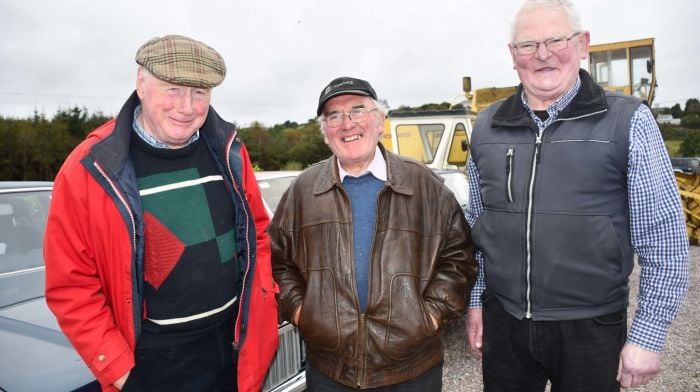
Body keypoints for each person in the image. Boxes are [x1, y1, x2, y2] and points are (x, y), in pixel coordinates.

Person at [465, 1, 690, 390]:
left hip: (592, 328)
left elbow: (664, 238)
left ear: (583, 44)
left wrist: (647, 336)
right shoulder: (486, 126)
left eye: (556, 39)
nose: (543, 54)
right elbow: (478, 225)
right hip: (504, 322)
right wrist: (477, 299)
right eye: (528, 45)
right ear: (512, 56)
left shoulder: (628, 121)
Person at [44, 34, 279, 392]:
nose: (186, 107)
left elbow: (258, 235)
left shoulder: (230, 151)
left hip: (232, 350)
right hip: (152, 366)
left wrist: (261, 310)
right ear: (141, 83)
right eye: (172, 89)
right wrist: (123, 373)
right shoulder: (90, 168)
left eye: (199, 92)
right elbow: (71, 286)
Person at [268, 76, 478, 391]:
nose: (347, 124)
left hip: (412, 371)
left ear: (379, 121)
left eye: (357, 111)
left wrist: (430, 315)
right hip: (330, 372)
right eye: (334, 117)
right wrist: (302, 312)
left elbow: (459, 257)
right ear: (326, 133)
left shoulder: (423, 185)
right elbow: (277, 261)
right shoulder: (302, 191)